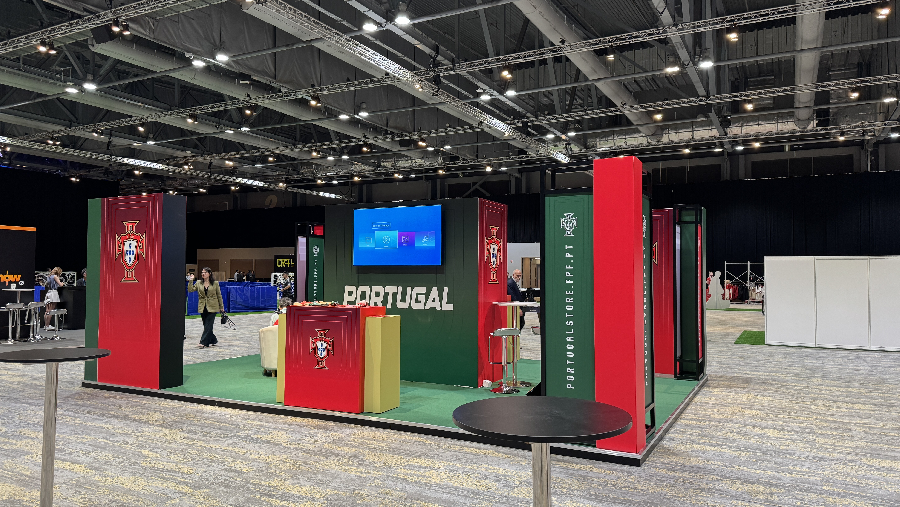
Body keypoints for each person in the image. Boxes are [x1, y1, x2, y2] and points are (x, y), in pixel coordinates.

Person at [187, 267, 225, 348]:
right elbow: (190, 290)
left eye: (205, 272)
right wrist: (191, 280)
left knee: (208, 325)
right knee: (206, 325)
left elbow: (219, 295)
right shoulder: (198, 283)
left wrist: (221, 307)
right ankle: (213, 340)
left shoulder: (215, 283)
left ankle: (203, 342)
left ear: (209, 274)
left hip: (213, 306)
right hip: (203, 306)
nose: (203, 274)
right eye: (202, 272)